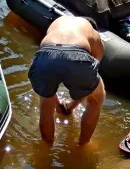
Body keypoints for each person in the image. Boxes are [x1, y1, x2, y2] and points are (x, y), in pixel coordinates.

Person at [28, 16, 105, 146]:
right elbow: (90, 75)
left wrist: (61, 106)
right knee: (96, 98)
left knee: (46, 102)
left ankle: (47, 146)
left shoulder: (59, 22)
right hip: (77, 52)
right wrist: (74, 104)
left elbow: (55, 56)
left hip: (46, 53)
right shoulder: (94, 33)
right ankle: (83, 145)